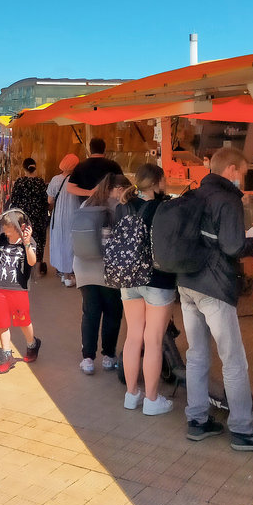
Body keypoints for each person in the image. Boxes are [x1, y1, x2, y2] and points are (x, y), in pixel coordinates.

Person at [177, 148, 253, 452]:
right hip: (215, 287)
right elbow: (233, 245)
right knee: (233, 359)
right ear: (231, 170)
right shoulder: (228, 200)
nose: (243, 178)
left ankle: (196, 420)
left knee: (196, 354)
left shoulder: (194, 193)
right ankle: (243, 429)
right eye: (243, 172)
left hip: (187, 283)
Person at [118, 164, 178, 415]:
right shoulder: (164, 208)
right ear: (158, 182)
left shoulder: (124, 205)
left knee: (133, 337)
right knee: (152, 341)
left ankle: (131, 395)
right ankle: (152, 400)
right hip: (157, 278)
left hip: (128, 277)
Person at [75, 173, 128, 375]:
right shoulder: (117, 207)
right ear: (118, 189)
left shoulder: (87, 203)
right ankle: (108, 356)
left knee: (90, 312)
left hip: (83, 265)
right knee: (112, 312)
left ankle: (87, 359)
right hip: (108, 268)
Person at [0, 209, 41, 374]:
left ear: (20, 227)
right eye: (4, 228)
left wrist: (28, 243)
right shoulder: (1, 240)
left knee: (23, 321)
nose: (6, 231)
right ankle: (7, 355)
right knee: (2, 322)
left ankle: (32, 344)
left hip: (19, 289)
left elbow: (32, 261)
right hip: (0, 287)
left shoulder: (28, 242)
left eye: (9, 228)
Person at [9, 157, 49, 275]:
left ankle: (23, 269)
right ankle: (37, 269)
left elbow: (14, 200)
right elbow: (46, 200)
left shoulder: (19, 182)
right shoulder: (40, 182)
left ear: (24, 169)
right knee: (39, 242)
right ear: (35, 168)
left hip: (23, 218)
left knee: (23, 240)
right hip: (39, 217)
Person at [47, 153, 80, 286]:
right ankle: (69, 276)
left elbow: (50, 200)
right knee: (72, 244)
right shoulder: (78, 180)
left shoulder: (55, 179)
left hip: (59, 215)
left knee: (60, 243)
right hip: (74, 214)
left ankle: (64, 274)